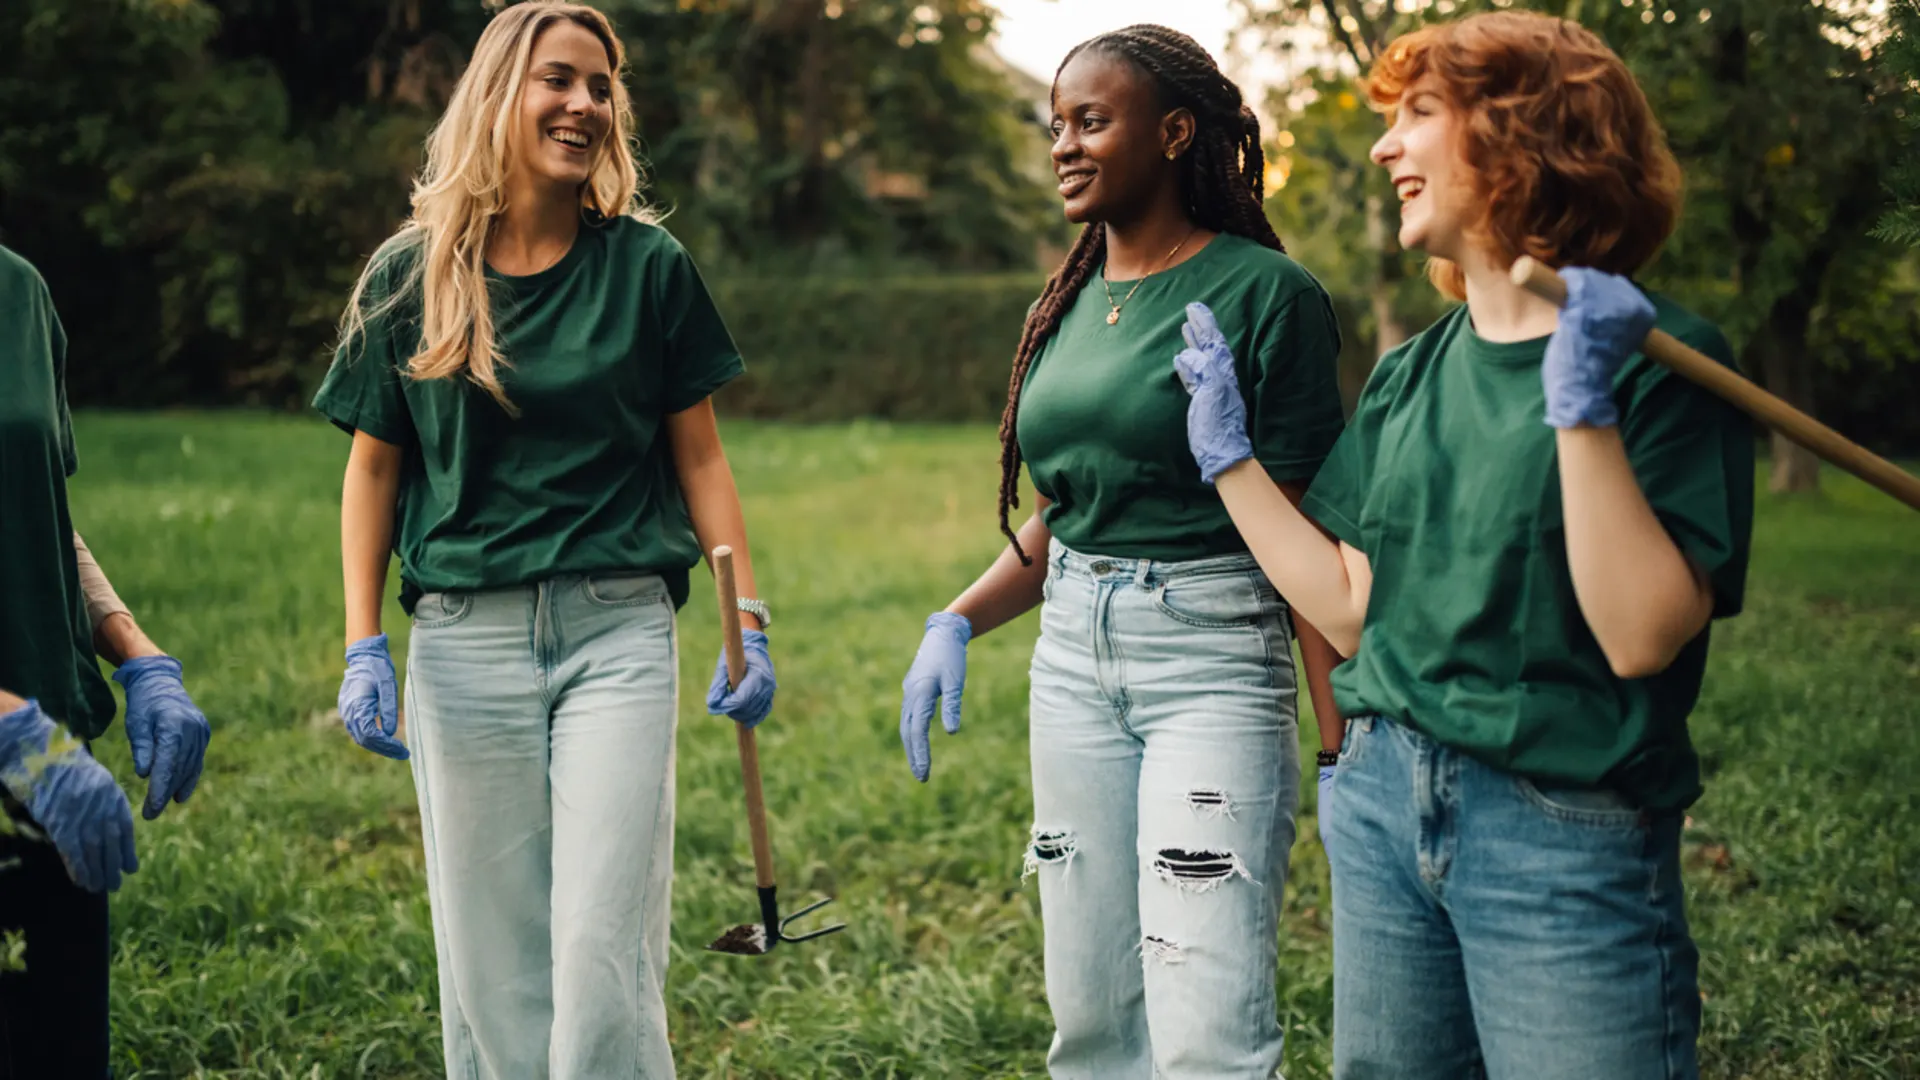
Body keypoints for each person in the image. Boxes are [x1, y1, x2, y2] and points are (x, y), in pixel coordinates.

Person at [1172, 11, 1755, 1078]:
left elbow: (1638, 637)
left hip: (1559, 832)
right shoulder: (1409, 375)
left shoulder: (1665, 365)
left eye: (1420, 115)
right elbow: (1351, 606)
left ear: (1530, 136)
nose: (1387, 147)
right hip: (1386, 799)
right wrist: (1231, 464)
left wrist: (1580, 406)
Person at [311, 3, 775, 1075]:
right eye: (559, 80)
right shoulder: (410, 275)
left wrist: (746, 613)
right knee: (492, 958)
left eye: (601, 87)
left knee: (601, 945)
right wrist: (360, 643)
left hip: (618, 633)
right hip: (462, 642)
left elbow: (701, 460)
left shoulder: (649, 268)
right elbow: (373, 469)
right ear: (500, 92)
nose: (585, 105)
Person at [897, 25, 1347, 1078]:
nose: (1063, 145)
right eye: (1056, 125)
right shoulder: (1067, 306)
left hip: (1211, 657)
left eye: (1091, 122)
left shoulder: (1267, 297)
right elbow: (1073, 510)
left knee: (1204, 1020)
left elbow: (1306, 534)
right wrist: (956, 617)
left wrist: (1340, 744)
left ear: (1176, 131)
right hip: (1070, 663)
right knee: (1091, 1014)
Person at [0, 243, 212, 1076]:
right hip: (27, 746)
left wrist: (139, 653)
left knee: (62, 1050)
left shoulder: (21, 292)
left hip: (49, 765)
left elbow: (42, 512)